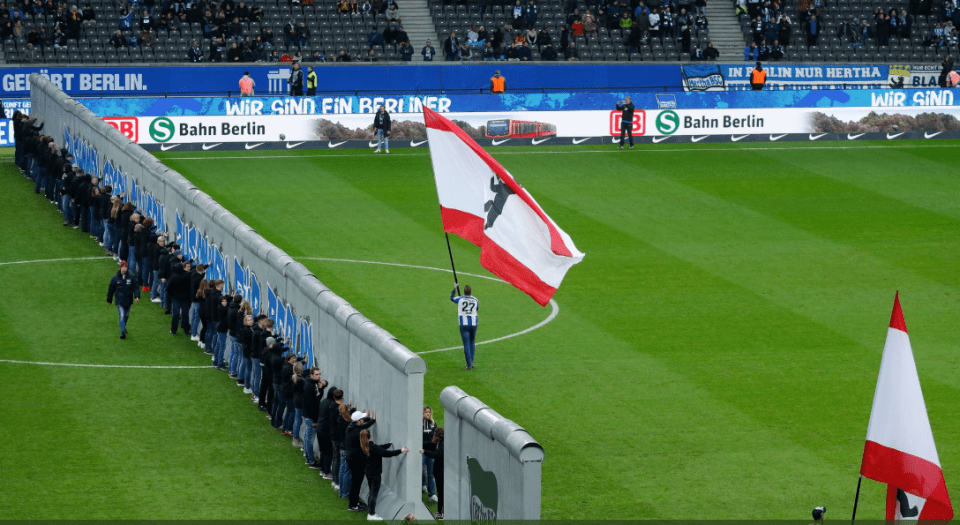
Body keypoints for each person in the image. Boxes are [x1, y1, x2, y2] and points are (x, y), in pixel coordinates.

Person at [362, 430, 409, 520]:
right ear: (369, 436)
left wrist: (388, 444)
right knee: (373, 494)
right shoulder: (373, 447)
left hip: (369, 473)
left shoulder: (365, 446)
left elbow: (380, 448)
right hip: (375, 474)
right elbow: (386, 453)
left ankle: (371, 511)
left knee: (371, 493)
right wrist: (401, 450)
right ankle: (371, 515)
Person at [346, 410, 377, 511]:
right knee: (356, 483)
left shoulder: (351, 427)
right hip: (356, 461)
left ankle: (355, 501)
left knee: (356, 482)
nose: (363, 420)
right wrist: (372, 420)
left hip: (351, 459)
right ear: (358, 421)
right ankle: (353, 505)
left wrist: (369, 419)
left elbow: (363, 424)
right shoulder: (358, 432)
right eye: (362, 419)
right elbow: (364, 427)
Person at [107, 260, 140, 339]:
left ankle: (123, 327)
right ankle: (122, 332)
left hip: (128, 300)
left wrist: (137, 296)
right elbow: (111, 289)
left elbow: (135, 287)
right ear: (120, 267)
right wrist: (109, 299)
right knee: (122, 315)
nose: (124, 269)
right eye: (122, 267)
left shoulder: (131, 277)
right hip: (119, 301)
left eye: (125, 267)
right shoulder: (115, 278)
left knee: (126, 316)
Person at [450, 284, 478, 370]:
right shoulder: (475, 300)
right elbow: (476, 309)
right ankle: (471, 362)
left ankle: (469, 365)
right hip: (474, 323)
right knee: (472, 342)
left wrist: (454, 289)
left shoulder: (460, 299)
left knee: (466, 344)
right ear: (470, 292)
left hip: (464, 324)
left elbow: (452, 298)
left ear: (464, 292)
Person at [420, 427, 444, 520]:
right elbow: (429, 444)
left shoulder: (442, 445)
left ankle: (442, 513)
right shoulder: (438, 444)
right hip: (438, 473)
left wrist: (425, 452)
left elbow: (436, 454)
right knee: (440, 492)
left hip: (441, 473)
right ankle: (439, 512)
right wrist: (418, 441)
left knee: (441, 493)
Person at [422, 406, 438, 502]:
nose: (428, 414)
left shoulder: (433, 423)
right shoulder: (420, 423)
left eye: (429, 412)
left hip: (431, 452)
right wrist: (428, 443)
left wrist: (433, 426)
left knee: (431, 474)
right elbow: (419, 439)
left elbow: (435, 439)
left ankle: (432, 495)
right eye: (426, 412)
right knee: (420, 470)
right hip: (422, 451)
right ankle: (423, 485)